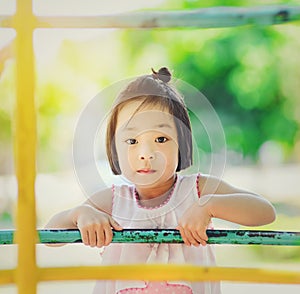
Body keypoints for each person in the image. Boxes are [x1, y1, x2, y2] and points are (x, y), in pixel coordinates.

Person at [46, 67, 276, 294]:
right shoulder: (114, 200)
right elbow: (49, 236)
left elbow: (265, 212)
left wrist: (210, 205)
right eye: (131, 141)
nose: (146, 153)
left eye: (161, 138)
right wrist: (78, 214)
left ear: (182, 144)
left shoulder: (197, 190)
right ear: (114, 149)